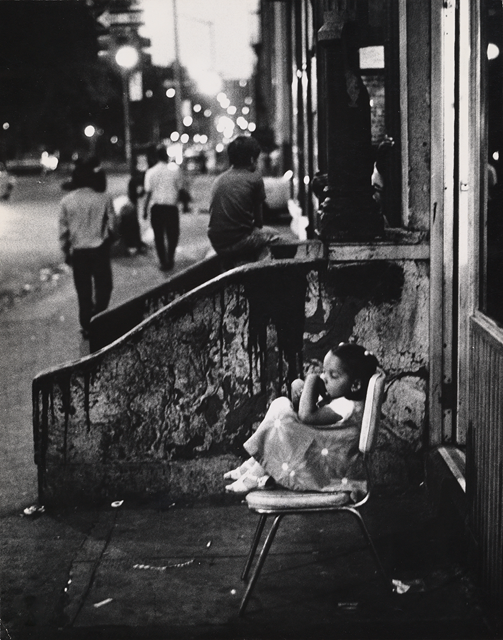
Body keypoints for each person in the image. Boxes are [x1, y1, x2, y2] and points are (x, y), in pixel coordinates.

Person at [224, 343, 380, 496]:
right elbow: (302, 412)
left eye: (333, 375)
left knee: (282, 414)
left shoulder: (347, 406)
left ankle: (256, 472)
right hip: (320, 452)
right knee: (283, 407)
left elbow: (306, 417)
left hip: (328, 467)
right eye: (324, 372)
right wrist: (299, 388)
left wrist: (311, 380)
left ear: (355, 385)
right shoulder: (342, 398)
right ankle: (255, 466)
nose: (324, 378)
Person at [59, 157, 116, 339]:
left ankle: (86, 325)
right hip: (99, 249)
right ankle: (98, 317)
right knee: (104, 287)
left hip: (79, 252)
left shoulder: (67, 201)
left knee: (83, 291)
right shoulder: (104, 198)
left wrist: (65, 251)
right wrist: (108, 240)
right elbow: (113, 226)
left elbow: (63, 232)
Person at [208, 135, 280, 264]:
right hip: (239, 241)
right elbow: (259, 222)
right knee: (276, 236)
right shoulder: (255, 178)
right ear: (252, 160)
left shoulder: (219, 179)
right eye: (257, 160)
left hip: (217, 242)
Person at [143, 144, 182, 271]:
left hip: (157, 208)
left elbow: (148, 193)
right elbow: (180, 189)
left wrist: (144, 209)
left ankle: (163, 261)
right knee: (173, 235)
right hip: (171, 208)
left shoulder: (150, 172)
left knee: (158, 236)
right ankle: (170, 257)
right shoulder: (175, 170)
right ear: (166, 155)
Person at [117, 175, 148, 256]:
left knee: (132, 222)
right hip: (129, 206)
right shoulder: (128, 206)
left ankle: (135, 244)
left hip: (130, 203)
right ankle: (134, 244)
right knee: (132, 223)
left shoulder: (128, 204)